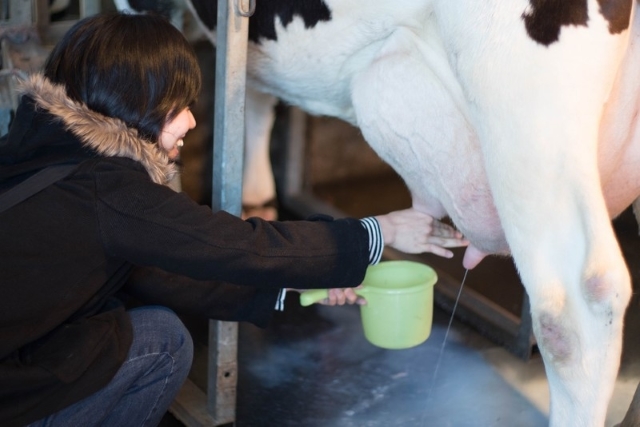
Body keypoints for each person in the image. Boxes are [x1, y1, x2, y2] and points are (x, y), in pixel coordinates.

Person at [0, 12, 468, 427]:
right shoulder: (110, 189)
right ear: (132, 100)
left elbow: (162, 274)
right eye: (176, 104)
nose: (191, 121)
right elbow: (237, 245)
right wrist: (379, 232)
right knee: (161, 342)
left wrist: (306, 285)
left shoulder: (38, 153)